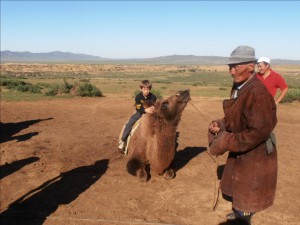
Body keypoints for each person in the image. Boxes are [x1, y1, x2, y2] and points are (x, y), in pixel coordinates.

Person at [208, 46, 278, 225]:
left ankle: (243, 217)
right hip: (242, 145)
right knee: (240, 183)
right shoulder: (241, 85)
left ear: (250, 66)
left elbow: (258, 132)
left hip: (255, 151)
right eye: (230, 67)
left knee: (249, 188)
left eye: (235, 66)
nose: (231, 71)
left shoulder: (257, 92)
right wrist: (222, 124)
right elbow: (238, 116)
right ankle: (240, 212)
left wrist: (226, 139)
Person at [118, 80, 156, 153]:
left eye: (148, 89)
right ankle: (123, 140)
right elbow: (138, 107)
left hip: (151, 113)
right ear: (141, 89)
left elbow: (154, 105)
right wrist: (145, 110)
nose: (146, 91)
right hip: (140, 113)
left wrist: (152, 109)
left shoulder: (153, 97)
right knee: (130, 124)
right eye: (144, 89)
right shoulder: (138, 97)